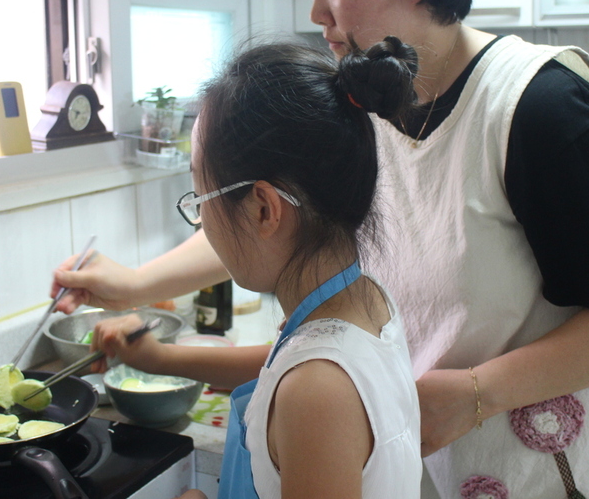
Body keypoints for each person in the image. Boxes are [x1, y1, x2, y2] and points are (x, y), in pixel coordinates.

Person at [52, 0, 589, 496]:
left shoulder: (538, 110)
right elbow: (265, 211)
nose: (316, 14)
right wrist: (134, 284)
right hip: (457, 464)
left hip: (573, 469)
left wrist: (474, 393)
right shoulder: (372, 97)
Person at [88, 39, 424, 498]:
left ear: (264, 209)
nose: (202, 218)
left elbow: (304, 381)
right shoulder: (363, 298)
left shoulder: (315, 393)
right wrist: (160, 359)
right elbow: (277, 363)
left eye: (201, 198)